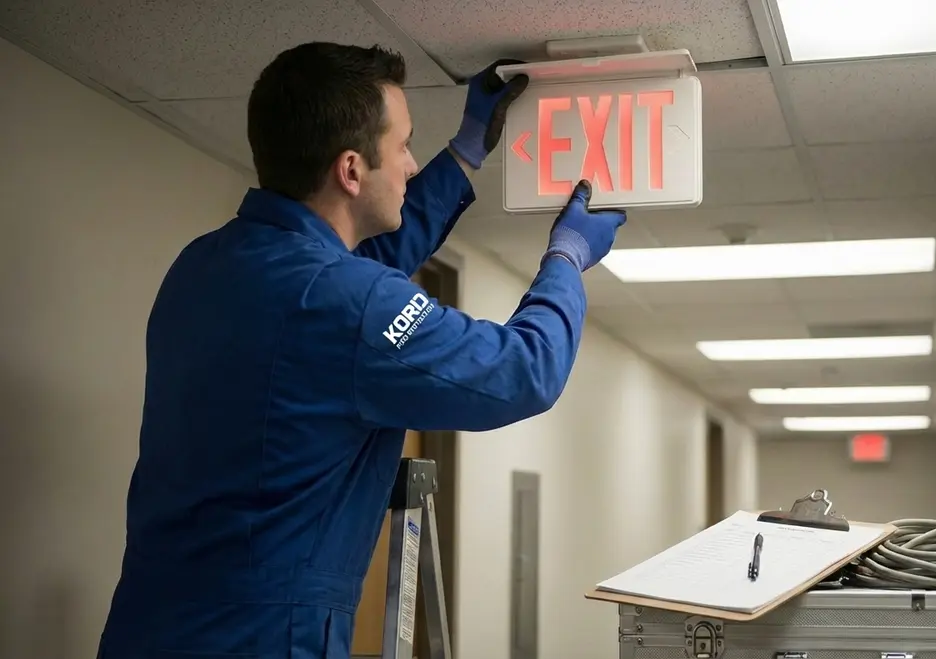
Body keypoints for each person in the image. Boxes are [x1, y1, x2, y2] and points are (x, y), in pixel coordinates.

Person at [96, 42, 627, 657]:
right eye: (403, 146)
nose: (410, 163)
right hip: (263, 638)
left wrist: (466, 151)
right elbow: (521, 370)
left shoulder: (203, 266)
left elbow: (349, 283)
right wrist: (566, 258)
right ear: (351, 170)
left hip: (147, 625)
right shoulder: (343, 302)